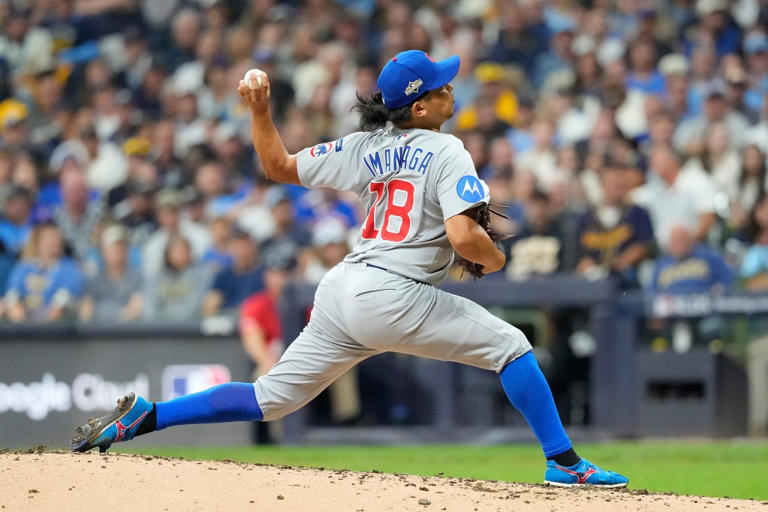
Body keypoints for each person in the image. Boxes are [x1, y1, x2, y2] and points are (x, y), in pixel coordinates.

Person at [69, 50, 628, 488]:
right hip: (393, 294)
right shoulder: (447, 149)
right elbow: (463, 236)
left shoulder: (366, 145)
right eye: (439, 85)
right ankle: (565, 462)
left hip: (341, 289)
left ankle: (148, 417)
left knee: (270, 400)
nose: (450, 87)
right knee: (512, 347)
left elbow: (277, 166)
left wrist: (260, 113)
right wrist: (496, 256)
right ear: (419, 107)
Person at [3, 222, 84, 322]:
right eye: (47, 239)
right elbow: (13, 292)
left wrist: (49, 316)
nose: (52, 243)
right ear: (37, 243)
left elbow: (64, 298)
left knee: (58, 312)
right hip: (24, 317)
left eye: (55, 239)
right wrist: (15, 306)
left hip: (55, 319)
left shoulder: (69, 268)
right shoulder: (24, 267)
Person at [79, 224, 142, 324]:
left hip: (127, 334)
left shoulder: (138, 277)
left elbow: (135, 310)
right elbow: (86, 312)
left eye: (123, 247)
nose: (119, 251)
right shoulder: (94, 280)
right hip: (98, 334)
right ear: (104, 251)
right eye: (114, 247)